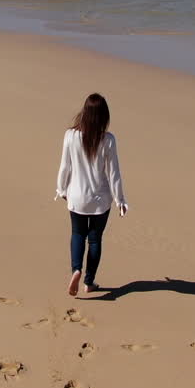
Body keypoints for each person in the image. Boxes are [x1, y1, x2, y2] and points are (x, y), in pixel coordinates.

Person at [55, 93, 129, 296]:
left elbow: (65, 167)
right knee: (95, 240)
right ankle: (89, 281)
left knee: (77, 233)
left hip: (76, 197)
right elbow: (114, 174)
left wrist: (61, 189)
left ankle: (76, 269)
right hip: (100, 200)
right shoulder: (108, 140)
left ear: (85, 113)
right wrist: (120, 199)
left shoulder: (71, 135)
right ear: (104, 115)